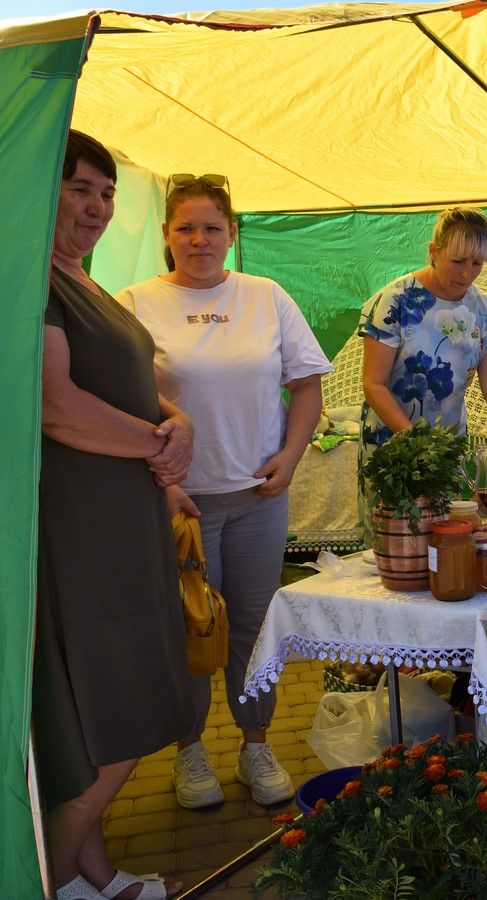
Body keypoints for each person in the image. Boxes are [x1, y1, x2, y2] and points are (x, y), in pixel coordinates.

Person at [119, 174, 334, 809]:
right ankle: (190, 752)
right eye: (185, 227)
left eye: (213, 227)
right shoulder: (135, 302)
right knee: (186, 629)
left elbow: (307, 388)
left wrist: (291, 458)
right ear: (165, 235)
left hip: (257, 498)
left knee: (252, 622)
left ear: (232, 234)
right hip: (177, 500)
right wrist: (161, 481)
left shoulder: (265, 296)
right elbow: (122, 399)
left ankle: (256, 744)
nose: (199, 239)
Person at [38, 130, 196, 899]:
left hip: (126, 526)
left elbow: (132, 383)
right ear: (39, 191)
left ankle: (90, 877)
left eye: (106, 192)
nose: (98, 207)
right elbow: (55, 406)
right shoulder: (33, 280)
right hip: (86, 533)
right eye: (79, 190)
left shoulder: (86, 282)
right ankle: (49, 875)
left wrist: (176, 424)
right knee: (119, 705)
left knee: (111, 709)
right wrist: (155, 448)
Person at [361, 207, 487, 473]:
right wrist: (416, 443)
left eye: (477, 263)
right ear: (434, 252)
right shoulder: (396, 300)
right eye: (458, 261)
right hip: (393, 451)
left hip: (448, 448)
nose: (467, 274)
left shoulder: (481, 307)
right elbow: (374, 384)